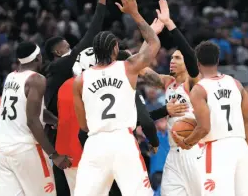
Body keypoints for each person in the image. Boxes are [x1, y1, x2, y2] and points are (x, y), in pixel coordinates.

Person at [72, 0, 161, 196]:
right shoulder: (128, 67)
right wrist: (134, 13)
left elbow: (83, 125)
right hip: (123, 141)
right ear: (114, 49)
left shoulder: (80, 80)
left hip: (95, 143)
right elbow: (154, 42)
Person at [73, 48, 188, 196]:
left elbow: (82, 130)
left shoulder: (84, 85)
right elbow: (145, 121)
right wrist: (154, 141)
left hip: (95, 148)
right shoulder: (126, 85)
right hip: (123, 146)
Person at [43, 0, 109, 196]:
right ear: (57, 51)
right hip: (65, 137)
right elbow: (91, 35)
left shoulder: (53, 72)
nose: (71, 48)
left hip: (56, 136)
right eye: (66, 46)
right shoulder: (62, 65)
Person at [138, 0, 203, 196]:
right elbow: (138, 67)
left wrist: (169, 24)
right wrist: (150, 35)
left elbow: (191, 56)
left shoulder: (194, 82)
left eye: (177, 58)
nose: (172, 61)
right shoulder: (167, 82)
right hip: (173, 155)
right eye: (172, 57)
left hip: (194, 151)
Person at [173, 41, 248, 196]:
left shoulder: (199, 89)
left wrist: (186, 143)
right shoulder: (236, 84)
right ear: (218, 60)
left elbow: (204, 128)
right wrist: (247, 151)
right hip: (240, 147)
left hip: (217, 149)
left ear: (197, 63)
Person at [0, 42, 72, 196]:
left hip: (2, 151)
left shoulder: (11, 77)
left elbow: (29, 110)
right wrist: (54, 155)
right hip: (26, 150)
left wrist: (54, 120)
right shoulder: (36, 79)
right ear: (38, 57)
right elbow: (32, 120)